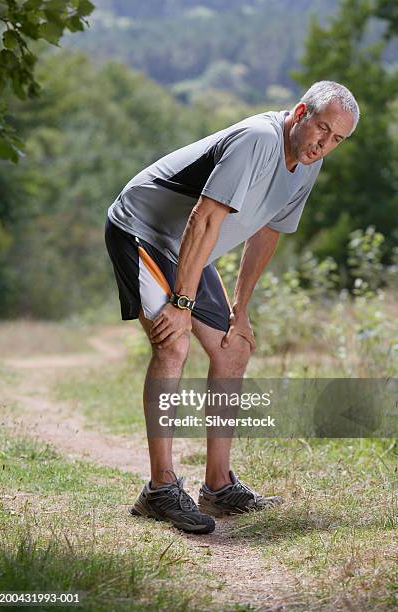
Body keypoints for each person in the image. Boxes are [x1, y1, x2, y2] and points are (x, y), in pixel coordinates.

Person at [105, 80, 359, 534]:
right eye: (322, 128)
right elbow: (203, 216)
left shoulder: (306, 163)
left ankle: (218, 488)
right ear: (300, 112)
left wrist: (240, 309)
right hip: (142, 228)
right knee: (173, 343)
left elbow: (268, 230)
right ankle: (160, 490)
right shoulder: (258, 140)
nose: (324, 144)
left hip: (187, 245)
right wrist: (181, 304)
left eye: (337, 139)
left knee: (233, 348)